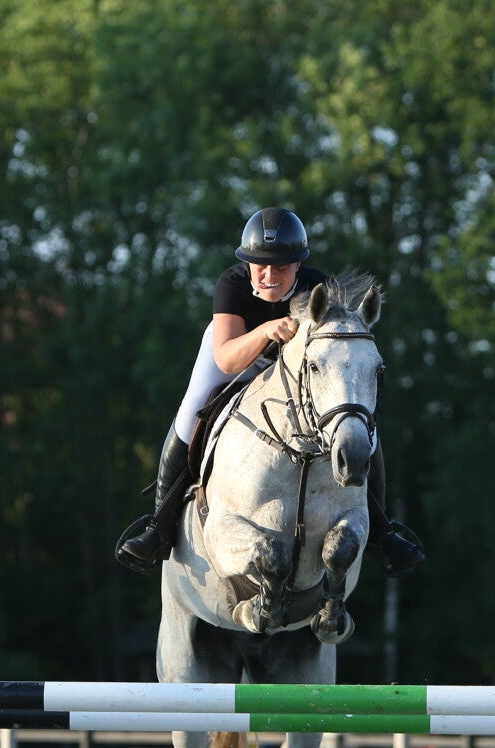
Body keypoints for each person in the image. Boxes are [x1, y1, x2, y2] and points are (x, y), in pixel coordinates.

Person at [115, 207, 424, 576]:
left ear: (298, 265)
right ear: (247, 263)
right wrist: (265, 331)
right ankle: (158, 527)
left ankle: (382, 530)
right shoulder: (231, 284)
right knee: (190, 412)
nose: (269, 275)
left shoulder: (318, 288)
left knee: (359, 428)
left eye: (281, 267)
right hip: (236, 353)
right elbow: (227, 360)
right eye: (260, 265)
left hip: (295, 370)